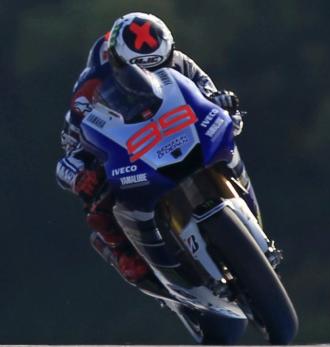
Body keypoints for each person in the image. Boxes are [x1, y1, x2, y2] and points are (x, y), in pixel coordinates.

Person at [56, 12, 260, 286]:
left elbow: (209, 93)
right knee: (96, 195)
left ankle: (241, 195)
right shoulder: (90, 87)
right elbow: (70, 149)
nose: (150, 75)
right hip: (125, 144)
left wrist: (224, 104)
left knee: (224, 131)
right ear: (118, 61)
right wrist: (80, 174)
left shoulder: (177, 61)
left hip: (176, 132)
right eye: (140, 69)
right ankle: (124, 253)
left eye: (158, 65)